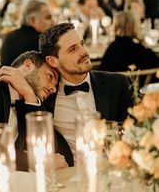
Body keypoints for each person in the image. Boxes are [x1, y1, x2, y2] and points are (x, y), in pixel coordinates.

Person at [39, 22, 133, 162]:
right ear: (53, 61)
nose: (83, 52)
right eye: (73, 49)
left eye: (82, 44)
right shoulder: (45, 97)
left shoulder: (118, 84)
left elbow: (132, 135)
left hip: (112, 173)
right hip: (68, 179)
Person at [0, 0, 54, 66]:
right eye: (48, 17)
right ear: (32, 20)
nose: (52, 22)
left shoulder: (9, 36)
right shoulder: (39, 41)